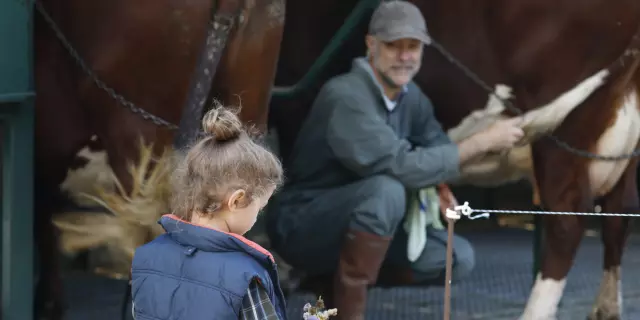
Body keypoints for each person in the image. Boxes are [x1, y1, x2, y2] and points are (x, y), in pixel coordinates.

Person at [265, 1, 524, 319]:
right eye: (393, 46)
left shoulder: (410, 96)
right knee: (388, 190)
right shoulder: (345, 95)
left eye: (412, 46)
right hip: (303, 224)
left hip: (366, 223)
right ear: (371, 44)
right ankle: (348, 311)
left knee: (454, 256)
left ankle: (328, 282)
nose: (404, 56)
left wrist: (440, 183)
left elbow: (435, 143)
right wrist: (483, 142)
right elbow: (402, 165)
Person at [130, 106, 287, 320]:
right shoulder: (245, 276)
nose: (258, 215)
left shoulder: (146, 258)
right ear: (236, 200)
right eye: (259, 208)